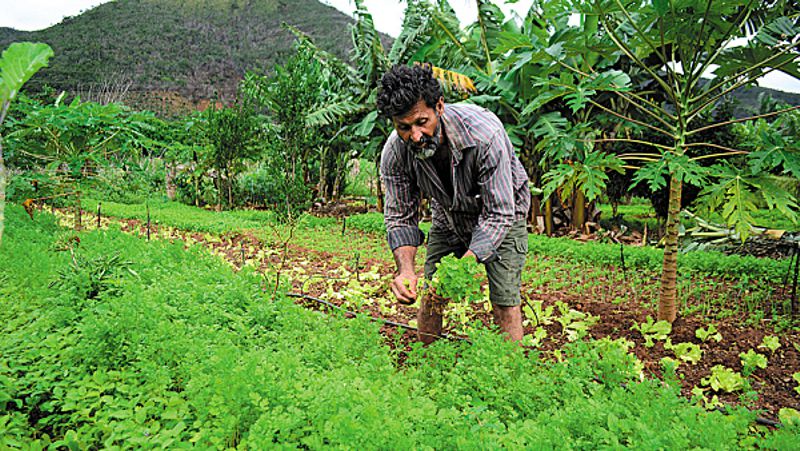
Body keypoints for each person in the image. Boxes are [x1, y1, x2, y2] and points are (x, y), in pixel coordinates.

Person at [377, 64, 531, 344]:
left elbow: (498, 214)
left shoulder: (484, 135)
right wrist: (406, 271)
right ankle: (428, 361)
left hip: (502, 215)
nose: (415, 136)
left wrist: (463, 268)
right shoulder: (395, 153)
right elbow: (400, 217)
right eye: (404, 127)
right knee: (432, 294)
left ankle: (511, 375)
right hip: (447, 214)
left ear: (439, 106)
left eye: (422, 122)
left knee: (504, 300)